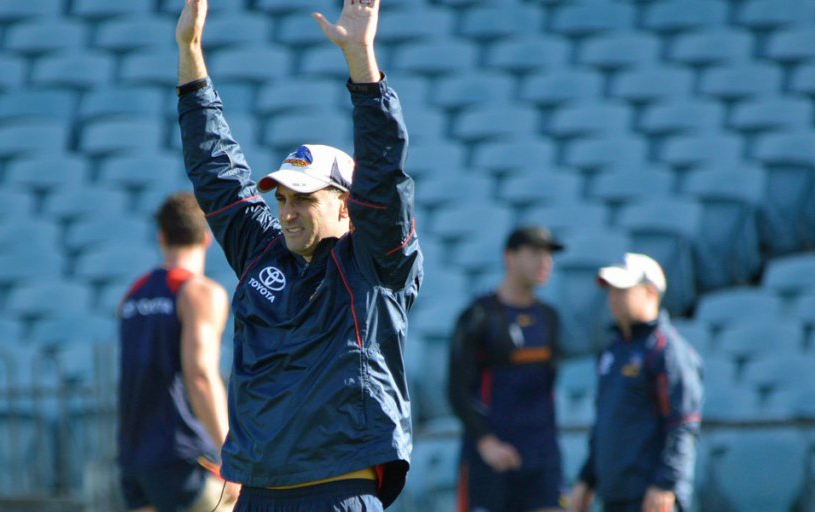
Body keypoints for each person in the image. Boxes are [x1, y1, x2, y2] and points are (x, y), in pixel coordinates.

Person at [174, 0, 421, 509]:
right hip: (257, 495)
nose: (287, 213)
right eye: (282, 199)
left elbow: (383, 173)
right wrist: (190, 52)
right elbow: (215, 170)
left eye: (304, 199)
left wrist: (361, 62)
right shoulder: (262, 252)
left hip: (337, 495)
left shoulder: (375, 264)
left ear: (346, 205)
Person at [117, 192, 239, 512]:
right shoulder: (199, 293)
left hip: (134, 463)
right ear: (206, 238)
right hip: (182, 459)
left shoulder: (131, 296)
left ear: (161, 237)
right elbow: (200, 375)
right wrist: (230, 452)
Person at [568, 253, 703, 512]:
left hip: (651, 498)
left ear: (650, 293)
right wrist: (587, 479)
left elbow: (683, 424)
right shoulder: (613, 351)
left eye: (622, 290)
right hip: (615, 496)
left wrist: (666, 483)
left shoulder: (666, 350)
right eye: (611, 291)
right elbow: (604, 424)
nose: (613, 298)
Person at [448, 226, 566, 512]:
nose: (545, 262)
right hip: (492, 459)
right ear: (509, 257)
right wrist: (486, 442)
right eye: (535, 252)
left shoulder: (549, 317)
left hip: (542, 457)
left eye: (549, 254)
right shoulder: (479, 316)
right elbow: (457, 389)